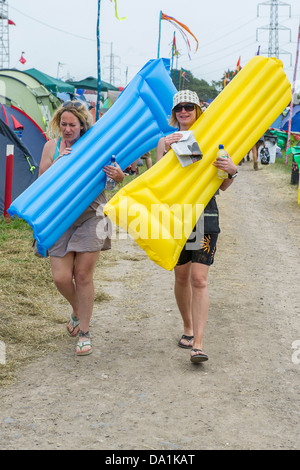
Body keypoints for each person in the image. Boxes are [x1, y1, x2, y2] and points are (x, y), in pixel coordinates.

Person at [156, 90, 238, 363]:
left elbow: (223, 185)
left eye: (188, 107)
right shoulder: (164, 142)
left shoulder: (212, 139)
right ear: (174, 112)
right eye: (179, 107)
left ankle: (198, 345)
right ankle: (188, 328)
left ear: (198, 110)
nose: (183, 111)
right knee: (181, 277)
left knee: (199, 279)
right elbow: (158, 182)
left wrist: (232, 170)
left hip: (205, 217)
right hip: (177, 217)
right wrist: (164, 149)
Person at [39, 100, 124, 356]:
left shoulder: (95, 147)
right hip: (59, 217)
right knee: (61, 278)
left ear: (82, 125)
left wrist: (118, 177)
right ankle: (78, 309)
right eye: (63, 124)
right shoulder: (51, 147)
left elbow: (108, 185)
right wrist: (58, 164)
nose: (67, 129)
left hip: (91, 215)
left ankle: (85, 332)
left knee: (83, 275)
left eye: (72, 124)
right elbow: (41, 182)